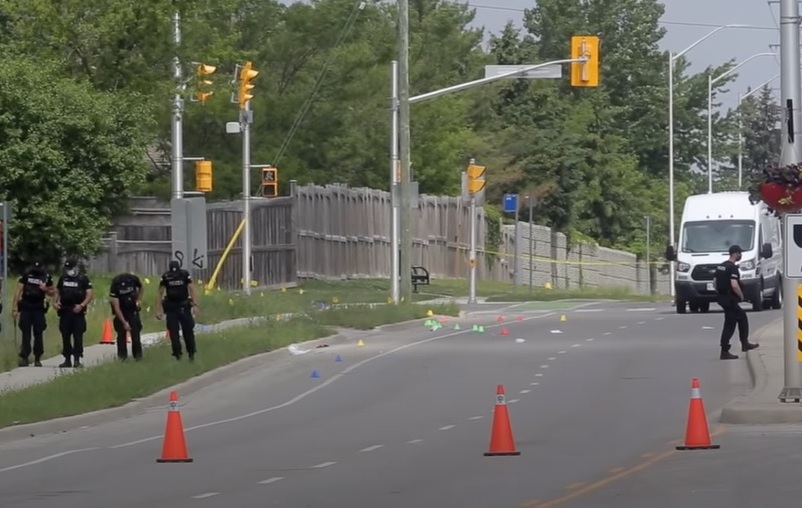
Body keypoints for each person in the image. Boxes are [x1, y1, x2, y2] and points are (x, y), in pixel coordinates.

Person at [714, 244, 760, 360]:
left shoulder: (720, 266)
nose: (740, 256)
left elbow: (714, 282)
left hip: (722, 298)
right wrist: (741, 296)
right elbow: (734, 285)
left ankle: (744, 343)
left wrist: (720, 293)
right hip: (730, 299)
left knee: (740, 318)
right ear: (736, 253)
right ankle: (726, 350)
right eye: (740, 254)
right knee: (730, 324)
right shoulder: (732, 268)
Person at [11, 260, 54, 367]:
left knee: (38, 333)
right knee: (26, 333)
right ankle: (24, 356)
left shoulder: (46, 277)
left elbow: (53, 292)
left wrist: (46, 289)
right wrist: (15, 308)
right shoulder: (26, 275)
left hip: (38, 308)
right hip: (26, 307)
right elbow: (18, 291)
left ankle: (37, 358)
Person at [53, 259, 93, 368]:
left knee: (78, 336)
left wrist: (82, 305)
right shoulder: (63, 278)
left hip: (77, 311)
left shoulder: (83, 279)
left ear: (76, 268)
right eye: (67, 269)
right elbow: (58, 291)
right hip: (65, 310)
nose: (69, 271)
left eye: (70, 268)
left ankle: (77, 359)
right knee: (65, 335)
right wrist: (55, 302)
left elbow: (89, 294)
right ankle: (67, 359)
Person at [156, 260, 199, 361]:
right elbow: (160, 292)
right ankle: (177, 354)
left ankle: (191, 353)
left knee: (188, 332)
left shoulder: (184, 274)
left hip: (183, 306)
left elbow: (192, 288)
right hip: (171, 308)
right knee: (173, 333)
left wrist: (195, 304)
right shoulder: (166, 276)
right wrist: (158, 309)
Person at [108, 271, 144, 361]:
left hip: (132, 309)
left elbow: (141, 287)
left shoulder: (133, 279)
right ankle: (122, 357)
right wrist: (124, 323)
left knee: (135, 334)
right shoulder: (115, 284)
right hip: (121, 310)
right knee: (121, 335)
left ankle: (138, 356)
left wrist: (139, 300)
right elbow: (116, 307)